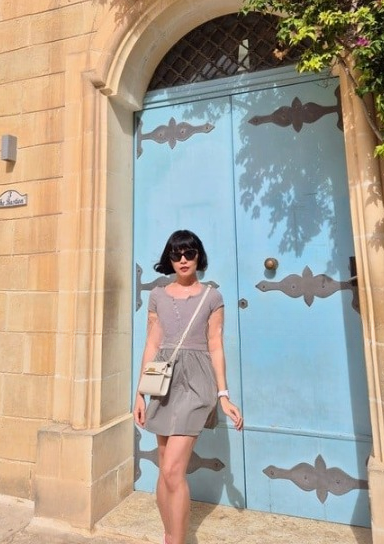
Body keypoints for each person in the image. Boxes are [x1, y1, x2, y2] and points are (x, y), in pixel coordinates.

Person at [134, 230, 243, 544]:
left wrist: (223, 395)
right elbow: (152, 344)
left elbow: (215, 345)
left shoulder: (212, 296)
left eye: (189, 253)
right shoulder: (157, 296)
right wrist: (139, 393)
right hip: (163, 380)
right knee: (164, 467)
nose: (183, 259)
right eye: (176, 254)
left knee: (172, 470)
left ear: (198, 256)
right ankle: (170, 535)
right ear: (169, 258)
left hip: (197, 382)